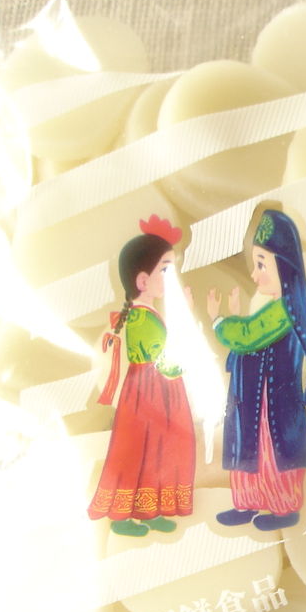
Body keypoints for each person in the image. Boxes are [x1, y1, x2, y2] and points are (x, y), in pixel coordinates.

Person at [208, 209, 306, 531]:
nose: (255, 276)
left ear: (283, 265)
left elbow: (248, 336)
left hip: (273, 402)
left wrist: (218, 320)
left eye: (261, 265)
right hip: (252, 396)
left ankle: (285, 508)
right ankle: (248, 502)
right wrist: (236, 315)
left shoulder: (285, 309)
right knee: (249, 447)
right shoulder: (269, 304)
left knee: (272, 451)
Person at [87, 215, 196, 536]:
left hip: (155, 390)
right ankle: (122, 517)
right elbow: (162, 356)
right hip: (151, 392)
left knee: (157, 449)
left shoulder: (147, 313)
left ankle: (149, 509)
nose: (170, 278)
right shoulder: (141, 318)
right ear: (143, 281)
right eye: (165, 270)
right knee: (139, 449)